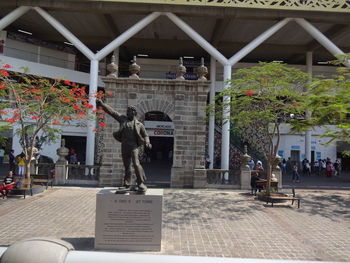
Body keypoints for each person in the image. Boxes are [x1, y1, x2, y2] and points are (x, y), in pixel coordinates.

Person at [97, 99, 151, 193]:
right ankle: (127, 184)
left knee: (136, 163)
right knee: (127, 166)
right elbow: (112, 112)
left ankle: (140, 183)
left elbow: (146, 135)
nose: (127, 113)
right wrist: (102, 104)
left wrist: (147, 142)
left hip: (134, 146)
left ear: (134, 113)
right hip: (125, 146)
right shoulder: (123, 119)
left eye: (129, 112)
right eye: (127, 112)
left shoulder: (139, 124)